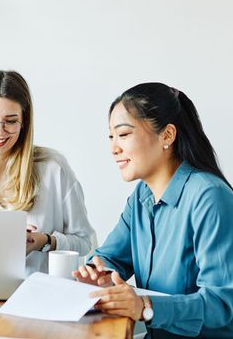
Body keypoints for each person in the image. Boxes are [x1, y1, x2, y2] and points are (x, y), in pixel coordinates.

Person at [74, 82, 233, 338]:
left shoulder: (209, 196)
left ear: (167, 135)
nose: (114, 148)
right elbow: (112, 258)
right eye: (111, 137)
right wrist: (96, 273)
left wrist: (146, 308)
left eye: (123, 134)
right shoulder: (141, 196)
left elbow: (222, 303)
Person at [0, 70, 95, 275]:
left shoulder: (53, 169)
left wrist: (44, 241)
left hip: (42, 298)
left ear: (24, 123)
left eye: (11, 121)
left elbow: (86, 243)